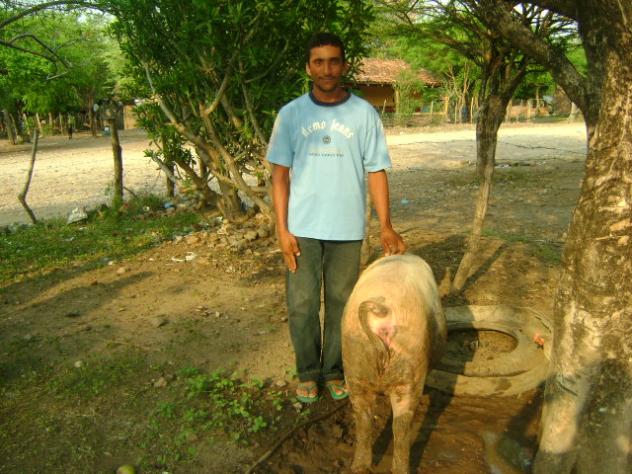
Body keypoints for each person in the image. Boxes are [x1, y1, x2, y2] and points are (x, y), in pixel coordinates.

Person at [266, 32, 406, 403]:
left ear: (344, 65)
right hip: (302, 229)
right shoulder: (291, 114)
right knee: (302, 304)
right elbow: (279, 177)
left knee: (342, 303)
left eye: (333, 61)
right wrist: (282, 230)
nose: (326, 69)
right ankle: (307, 372)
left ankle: (333, 370)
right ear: (308, 67)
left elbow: (376, 170)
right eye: (319, 62)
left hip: (347, 229)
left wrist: (385, 225)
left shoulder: (363, 114)